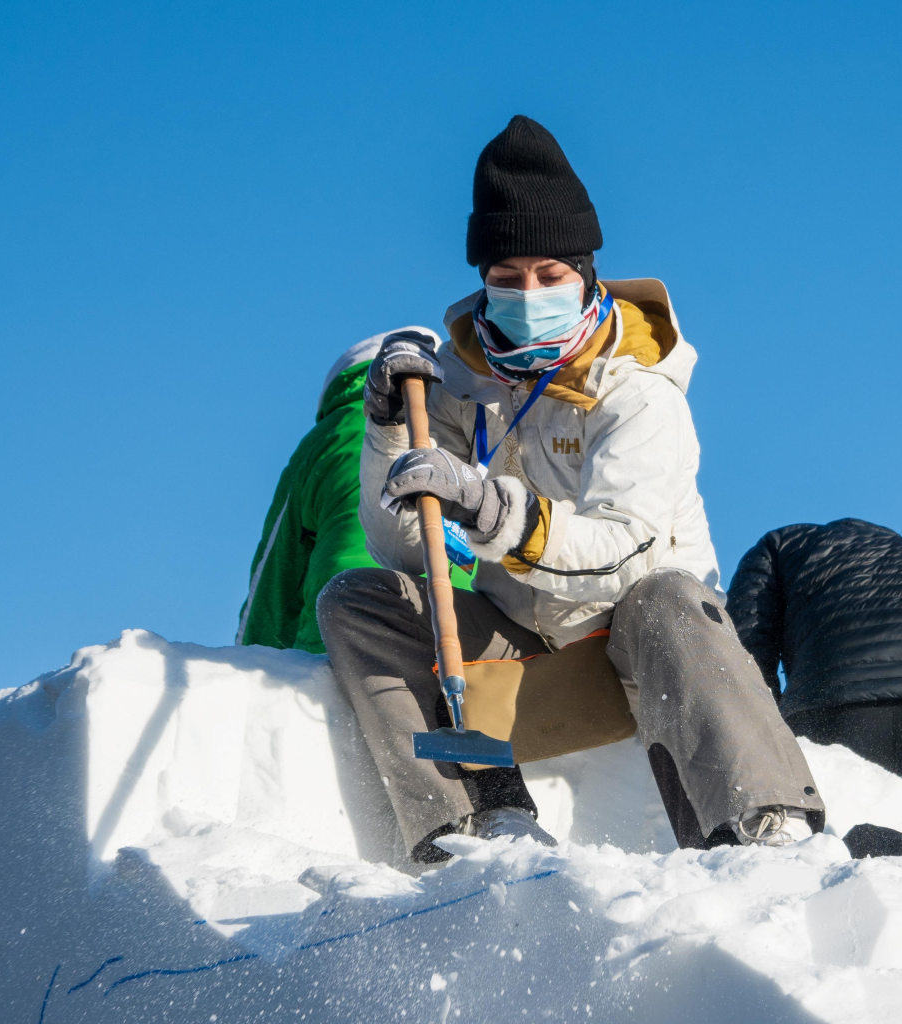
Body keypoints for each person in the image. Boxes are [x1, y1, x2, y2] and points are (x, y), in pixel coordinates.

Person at [316, 115, 824, 864]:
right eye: (507, 278)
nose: (529, 293)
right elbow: (405, 548)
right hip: (527, 661)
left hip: (650, 660)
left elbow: (623, 550)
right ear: (482, 285)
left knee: (665, 597)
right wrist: (391, 430)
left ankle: (766, 828)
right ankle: (478, 821)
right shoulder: (464, 393)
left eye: (550, 275)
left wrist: (492, 509)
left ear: (585, 276)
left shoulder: (640, 394)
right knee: (360, 599)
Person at [238, 334, 472, 653]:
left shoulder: (326, 439)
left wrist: (252, 659)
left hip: (337, 642)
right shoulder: (466, 428)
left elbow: (278, 573)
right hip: (462, 645)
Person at [728, 518, 902, 782]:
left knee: (837, 818)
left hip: (829, 703)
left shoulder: (780, 543)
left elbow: (746, 636)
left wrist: (764, 721)